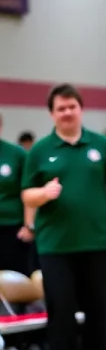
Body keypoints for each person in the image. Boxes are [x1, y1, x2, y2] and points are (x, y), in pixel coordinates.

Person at [21, 84, 106, 350]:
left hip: (99, 242)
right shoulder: (41, 150)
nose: (67, 112)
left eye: (72, 106)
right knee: (61, 311)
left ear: (81, 109)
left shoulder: (100, 145)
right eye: (61, 108)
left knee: (101, 309)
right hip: (56, 247)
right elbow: (26, 193)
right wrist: (43, 194)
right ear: (52, 113)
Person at [0, 112, 33, 274]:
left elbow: (28, 191)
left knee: (14, 277)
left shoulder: (17, 154)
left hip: (12, 227)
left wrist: (28, 225)